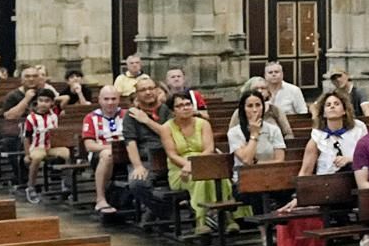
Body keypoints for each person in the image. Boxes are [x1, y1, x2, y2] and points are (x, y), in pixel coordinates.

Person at [159, 90, 225, 234]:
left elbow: (209, 148)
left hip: (203, 163)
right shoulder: (166, 128)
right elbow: (172, 154)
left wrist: (195, 164)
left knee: (221, 178)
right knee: (199, 179)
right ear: (172, 110)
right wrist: (188, 165)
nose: (185, 108)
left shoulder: (203, 124)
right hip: (179, 170)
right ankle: (200, 220)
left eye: (188, 104)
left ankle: (226, 217)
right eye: (180, 106)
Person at [118, 83, 167, 215]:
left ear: (157, 91)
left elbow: (170, 133)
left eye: (151, 89)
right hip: (146, 160)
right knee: (137, 183)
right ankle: (163, 211)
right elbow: (130, 142)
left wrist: (146, 120)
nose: (148, 92)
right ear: (137, 94)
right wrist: (138, 165)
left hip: (168, 157)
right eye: (143, 90)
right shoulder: (131, 115)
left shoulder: (166, 110)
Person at [82, 86, 127, 214]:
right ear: (100, 100)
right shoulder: (91, 118)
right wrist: (112, 148)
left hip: (127, 153)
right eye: (106, 99)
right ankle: (100, 198)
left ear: (118, 100)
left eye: (113, 99)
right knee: (107, 155)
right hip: (100, 155)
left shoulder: (127, 115)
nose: (110, 102)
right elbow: (89, 145)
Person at [227, 90, 287, 182]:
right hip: (245, 180)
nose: (255, 110)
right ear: (243, 108)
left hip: (271, 177)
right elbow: (246, 160)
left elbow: (279, 160)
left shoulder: (273, 130)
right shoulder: (234, 133)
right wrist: (254, 134)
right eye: (250, 106)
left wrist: (258, 163)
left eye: (258, 105)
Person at [22, 90, 68, 201]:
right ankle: (31, 186)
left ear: (52, 103)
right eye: (40, 100)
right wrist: (27, 154)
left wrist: (53, 99)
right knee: (37, 158)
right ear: (36, 102)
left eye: (47, 101)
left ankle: (66, 183)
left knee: (68, 153)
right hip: (38, 146)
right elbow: (26, 137)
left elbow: (66, 98)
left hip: (52, 146)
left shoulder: (55, 112)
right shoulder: (31, 118)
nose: (43, 104)